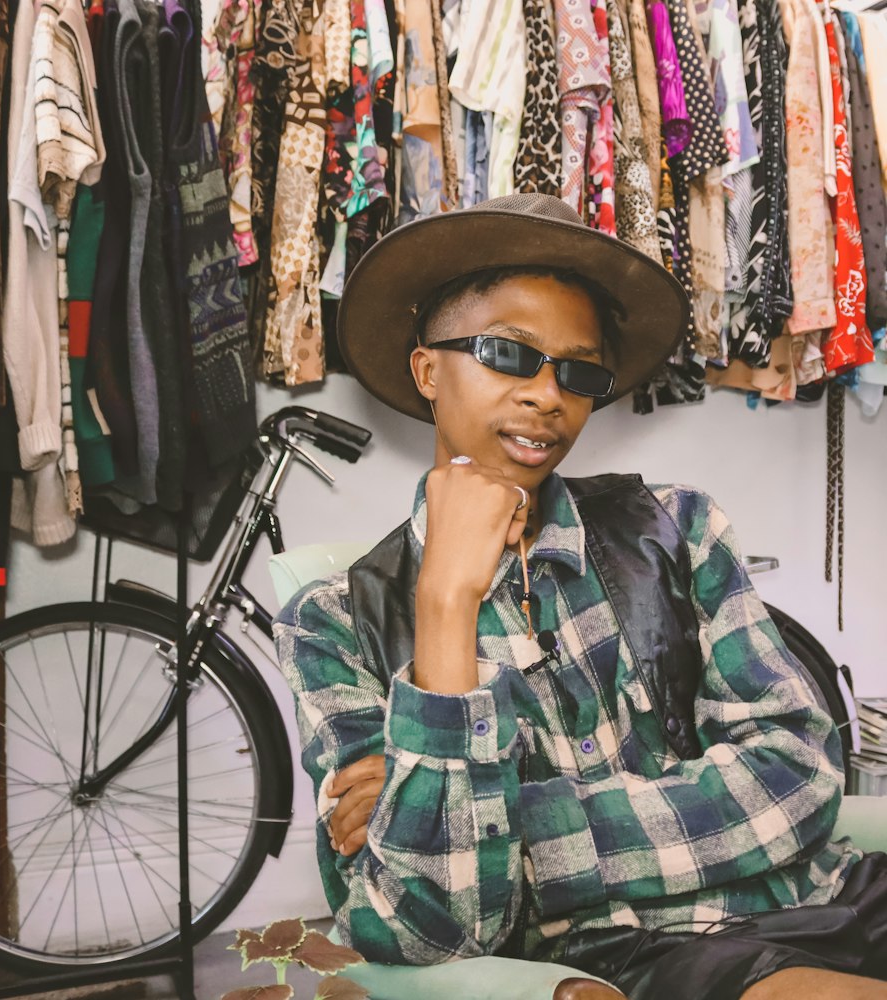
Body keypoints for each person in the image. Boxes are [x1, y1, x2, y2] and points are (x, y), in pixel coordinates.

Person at [272, 194, 887, 1000]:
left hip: (838, 894)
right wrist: (447, 602)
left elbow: (800, 773)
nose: (547, 394)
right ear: (427, 367)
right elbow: (425, 925)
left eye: (578, 369)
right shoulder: (335, 621)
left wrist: (506, 820)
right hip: (645, 960)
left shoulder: (679, 527)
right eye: (508, 352)